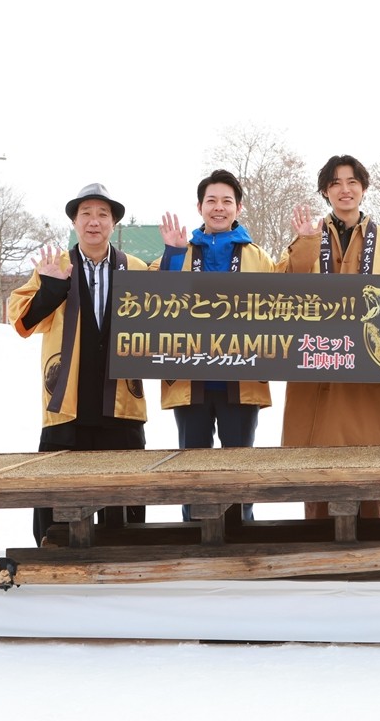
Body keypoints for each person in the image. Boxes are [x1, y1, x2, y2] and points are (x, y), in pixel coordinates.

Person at [8, 183, 150, 544]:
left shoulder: (134, 268)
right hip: (67, 404)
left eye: (103, 214)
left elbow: (165, 319)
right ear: (74, 221)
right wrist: (51, 289)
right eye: (86, 213)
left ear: (114, 224)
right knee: (57, 499)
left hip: (120, 406)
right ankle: (53, 564)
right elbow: (22, 322)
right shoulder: (54, 266)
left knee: (125, 500)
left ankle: (125, 569)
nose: (94, 221)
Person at [280, 154, 380, 519]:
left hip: (367, 379)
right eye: (336, 183)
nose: (345, 189)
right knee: (318, 478)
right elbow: (281, 290)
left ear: (364, 188)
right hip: (317, 371)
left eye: (352, 181)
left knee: (371, 475)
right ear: (326, 191)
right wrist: (305, 244)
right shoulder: (307, 234)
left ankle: (373, 556)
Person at [156, 169, 275, 522]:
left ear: (238, 207)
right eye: (212, 201)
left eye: (227, 201)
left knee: (238, 465)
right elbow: (154, 302)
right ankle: (194, 533)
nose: (219, 208)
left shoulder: (258, 257)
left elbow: (283, 301)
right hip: (190, 378)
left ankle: (242, 533)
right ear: (199, 207)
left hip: (242, 379)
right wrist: (175, 255)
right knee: (192, 466)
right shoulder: (182, 250)